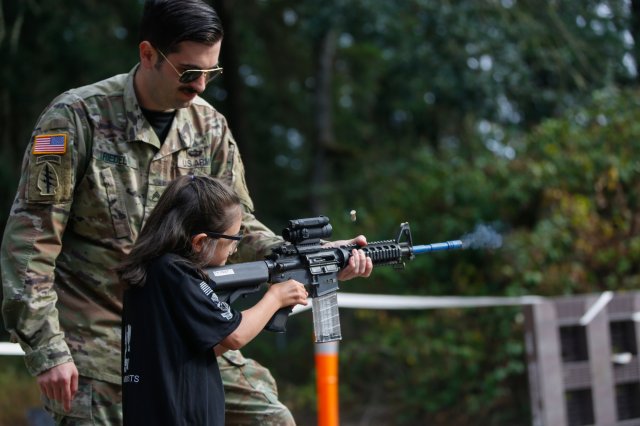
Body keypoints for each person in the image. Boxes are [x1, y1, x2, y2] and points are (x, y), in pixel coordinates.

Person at [0, 0, 373, 425]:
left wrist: (309, 257)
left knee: (270, 418)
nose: (200, 86)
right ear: (148, 54)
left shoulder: (209, 129)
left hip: (190, 329)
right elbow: (30, 245)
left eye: (210, 73)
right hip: (100, 341)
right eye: (188, 71)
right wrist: (47, 350)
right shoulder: (76, 119)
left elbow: (240, 227)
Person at [118, 175, 308, 426]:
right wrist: (275, 297)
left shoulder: (154, 271)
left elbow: (198, 349)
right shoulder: (177, 274)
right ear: (200, 241)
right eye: (233, 239)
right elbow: (235, 335)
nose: (235, 249)